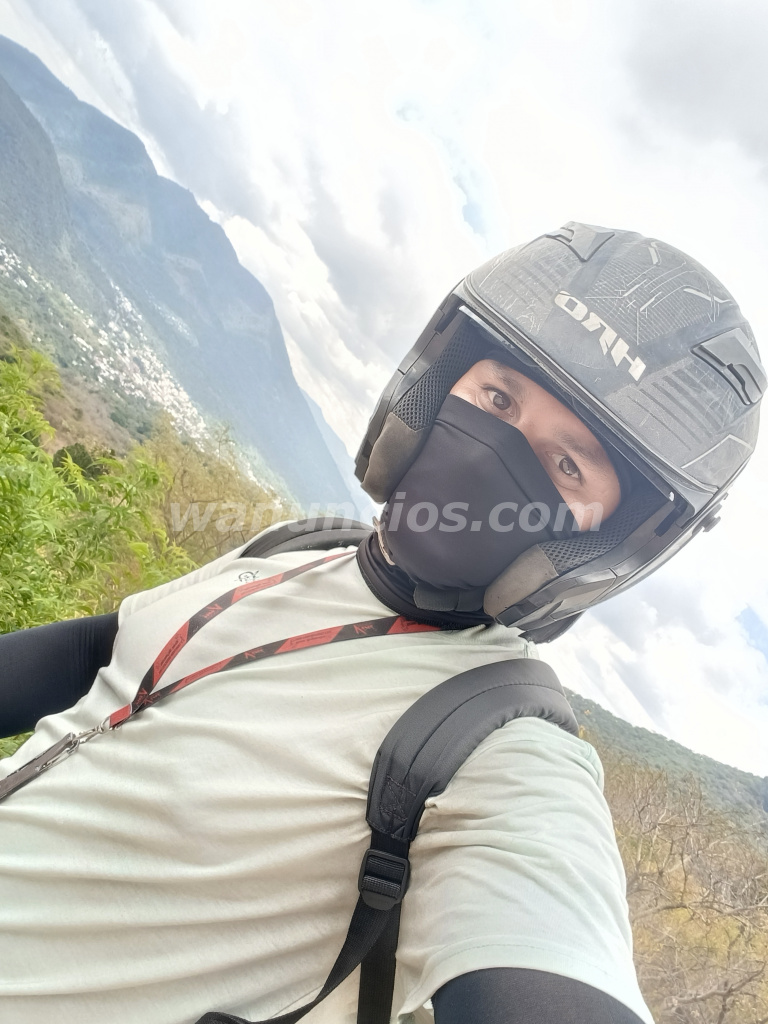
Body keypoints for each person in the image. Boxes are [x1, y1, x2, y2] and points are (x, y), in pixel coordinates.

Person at [0, 222, 763, 1024]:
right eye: (497, 398)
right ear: (436, 385)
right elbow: (104, 653)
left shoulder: (502, 751)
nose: (491, 453)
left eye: (566, 463)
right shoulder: (298, 546)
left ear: (605, 545)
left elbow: (549, 950)